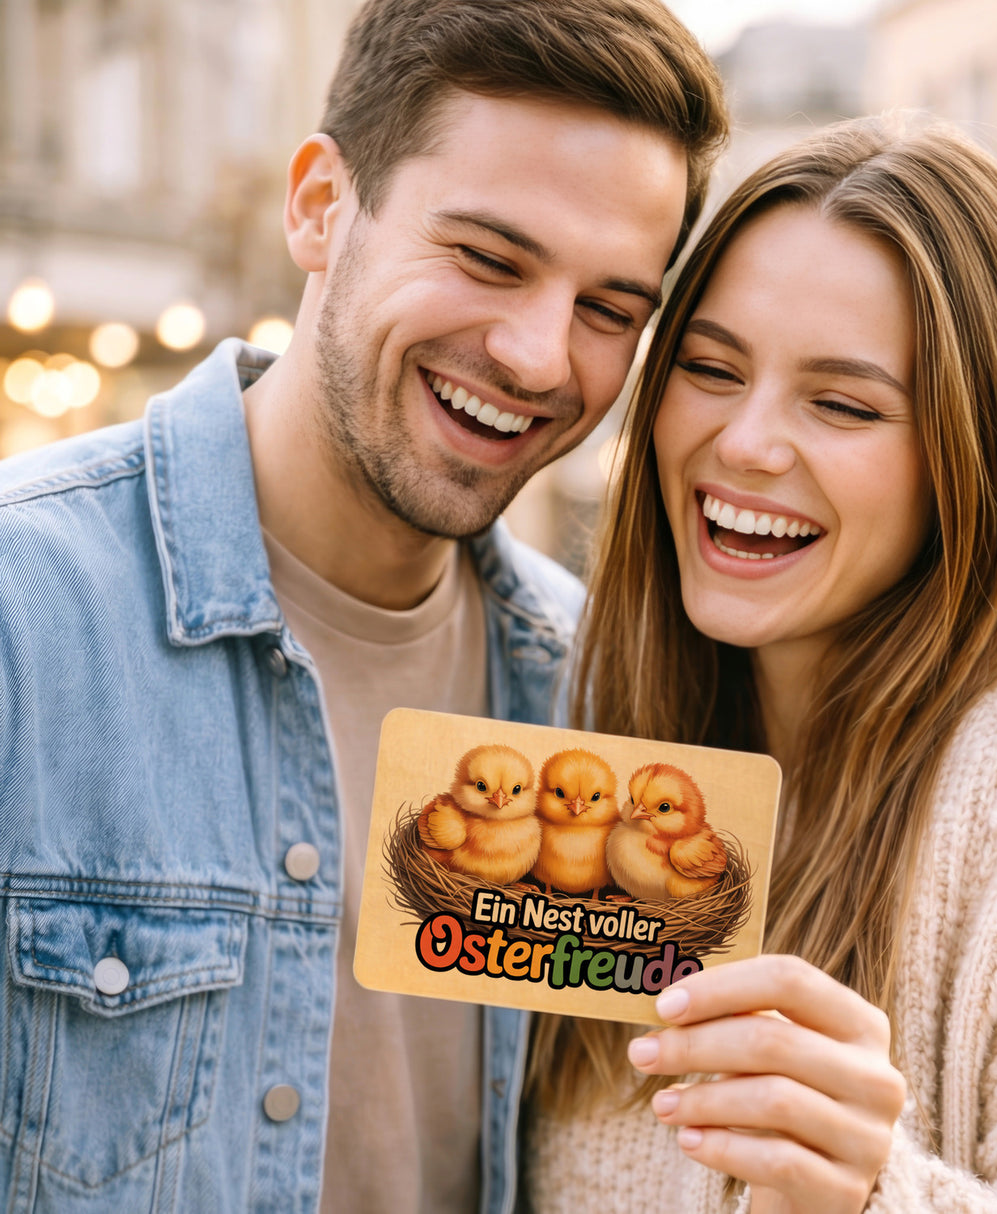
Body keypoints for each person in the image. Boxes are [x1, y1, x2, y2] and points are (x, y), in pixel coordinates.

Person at [0, 2, 727, 1211]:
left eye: (609, 308)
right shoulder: (26, 611)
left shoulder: (598, 696)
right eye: (488, 257)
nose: (541, 356)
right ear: (320, 207)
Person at [523, 115, 997, 1213]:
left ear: (972, 455)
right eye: (708, 367)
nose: (745, 441)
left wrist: (869, 1193)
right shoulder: (615, 740)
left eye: (840, 403)